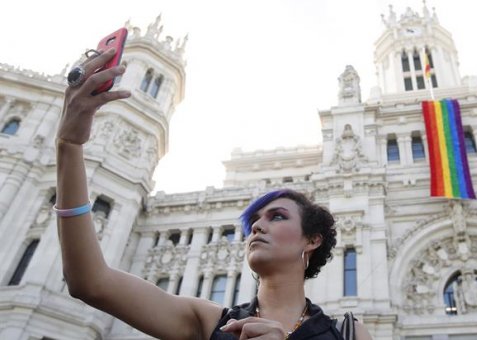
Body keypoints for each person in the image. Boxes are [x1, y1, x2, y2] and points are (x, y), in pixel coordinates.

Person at [55, 48, 372, 340]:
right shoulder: (210, 323)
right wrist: (69, 145)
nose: (257, 227)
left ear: (312, 239)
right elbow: (89, 281)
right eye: (254, 222)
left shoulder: (347, 333)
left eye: (277, 216)